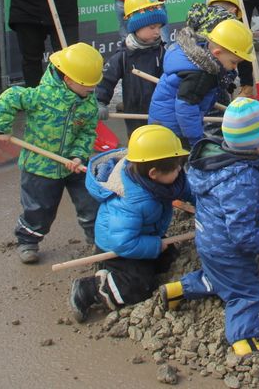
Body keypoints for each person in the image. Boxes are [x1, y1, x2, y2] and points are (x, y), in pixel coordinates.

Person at [158, 97, 259, 357]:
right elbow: (242, 234)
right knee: (246, 291)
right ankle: (244, 341)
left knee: (218, 277)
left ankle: (176, 291)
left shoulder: (223, 161)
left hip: (209, 240)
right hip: (229, 247)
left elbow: (258, 178)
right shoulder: (243, 180)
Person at [0, 42, 104, 264]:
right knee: (39, 210)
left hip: (74, 166)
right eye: (88, 86)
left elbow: (87, 132)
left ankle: (98, 241)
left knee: (90, 204)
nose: (92, 90)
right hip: (40, 167)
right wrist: (2, 128)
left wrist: (78, 155)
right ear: (69, 79)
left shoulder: (88, 105)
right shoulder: (41, 96)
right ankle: (27, 241)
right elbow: (10, 97)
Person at [69, 125, 191, 323]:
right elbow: (123, 242)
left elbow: (185, 188)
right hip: (118, 248)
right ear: (154, 173)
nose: (180, 170)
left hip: (143, 235)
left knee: (168, 261)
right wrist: (154, 245)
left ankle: (134, 266)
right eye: (176, 167)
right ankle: (90, 289)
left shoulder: (160, 178)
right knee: (138, 287)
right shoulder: (131, 202)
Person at [149, 18, 253, 149]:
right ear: (217, 53)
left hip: (171, 121)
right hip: (173, 128)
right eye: (233, 62)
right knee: (184, 156)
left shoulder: (198, 56)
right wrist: (196, 140)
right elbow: (186, 108)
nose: (234, 67)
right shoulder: (200, 74)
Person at [96, 0, 168, 137]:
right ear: (136, 27)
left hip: (159, 111)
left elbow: (171, 81)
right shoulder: (124, 56)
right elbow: (107, 80)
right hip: (134, 112)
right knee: (137, 140)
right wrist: (99, 101)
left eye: (159, 27)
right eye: (152, 27)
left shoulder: (161, 52)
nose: (157, 32)